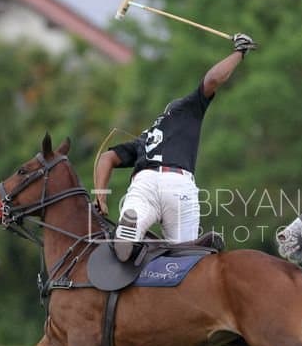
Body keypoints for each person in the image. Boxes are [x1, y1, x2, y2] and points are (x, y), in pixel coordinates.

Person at [94, 32, 257, 263]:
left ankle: (131, 227)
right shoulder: (183, 109)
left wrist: (101, 195)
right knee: (187, 263)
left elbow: (107, 158)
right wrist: (239, 52)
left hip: (144, 183)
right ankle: (194, 250)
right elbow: (212, 80)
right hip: (178, 184)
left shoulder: (145, 139)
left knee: (130, 230)